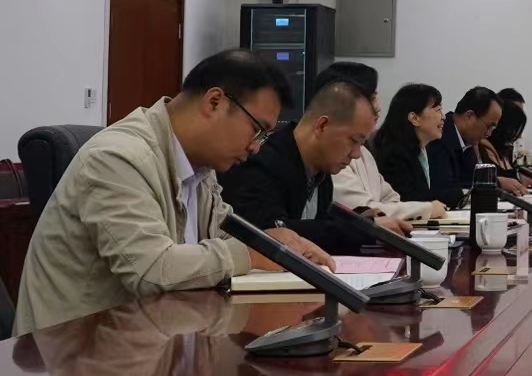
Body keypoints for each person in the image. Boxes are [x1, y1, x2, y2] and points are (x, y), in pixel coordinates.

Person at [13, 49, 333, 337]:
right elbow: (152, 271)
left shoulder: (199, 168)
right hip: (76, 360)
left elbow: (223, 234)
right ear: (215, 102)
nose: (255, 147)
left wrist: (273, 241)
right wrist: (250, 255)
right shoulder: (117, 158)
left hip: (151, 346)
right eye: (257, 130)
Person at [219, 80, 412, 256]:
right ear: (322, 125)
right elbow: (275, 234)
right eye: (354, 140)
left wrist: (363, 220)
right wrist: (366, 231)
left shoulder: (321, 170)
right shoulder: (262, 164)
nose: (356, 154)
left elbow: (319, 226)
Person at [319, 64, 448, 222]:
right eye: (372, 98)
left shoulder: (363, 151)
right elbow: (363, 210)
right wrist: (426, 208)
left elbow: (391, 198)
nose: (378, 108)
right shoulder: (333, 154)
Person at [369, 83, 453, 217]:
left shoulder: (425, 149)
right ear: (414, 118)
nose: (443, 116)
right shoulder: (395, 155)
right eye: (437, 109)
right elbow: (407, 201)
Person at [427, 86, 503, 199]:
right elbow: (444, 191)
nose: (489, 134)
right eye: (488, 126)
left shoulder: (467, 140)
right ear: (469, 117)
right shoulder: (440, 137)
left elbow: (471, 180)